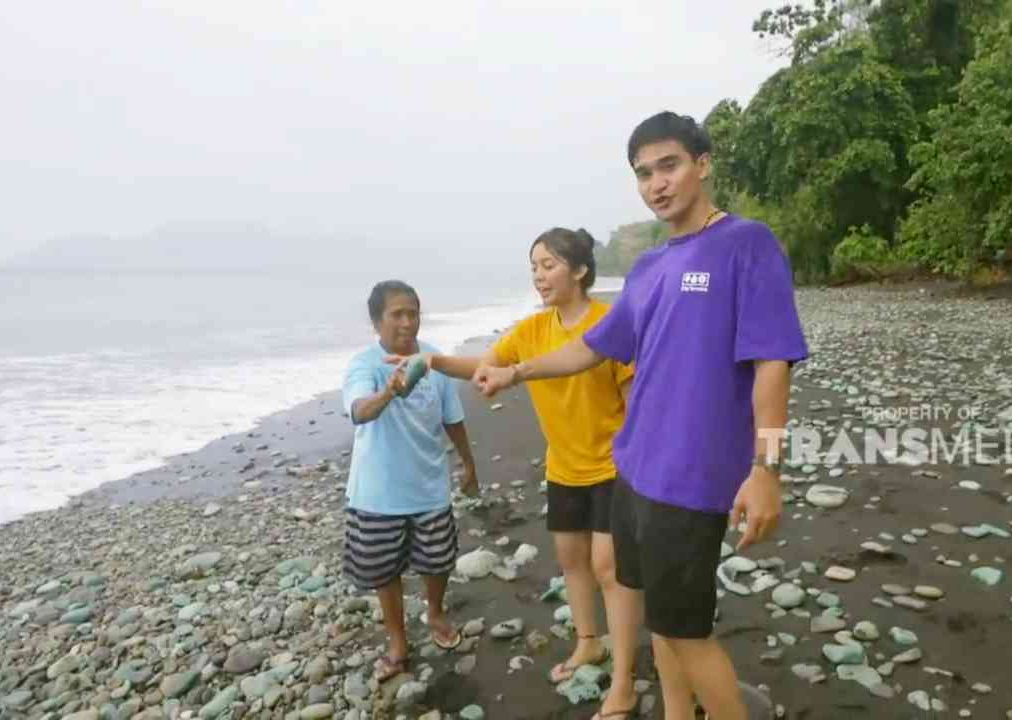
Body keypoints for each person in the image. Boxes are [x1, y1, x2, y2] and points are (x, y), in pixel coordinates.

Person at [476, 111, 809, 720]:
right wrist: (516, 371)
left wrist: (766, 467)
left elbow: (772, 363)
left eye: (669, 165)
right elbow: (593, 346)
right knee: (659, 614)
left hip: (695, 477)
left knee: (686, 630)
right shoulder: (651, 267)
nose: (657, 183)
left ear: (703, 164)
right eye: (643, 173)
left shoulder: (746, 243)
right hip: (632, 470)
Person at [386, 229, 643, 720]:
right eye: (534, 267)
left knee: (612, 570)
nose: (539, 276)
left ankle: (626, 682)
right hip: (565, 466)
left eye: (548, 265)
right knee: (572, 562)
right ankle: (589, 643)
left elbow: (635, 407)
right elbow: (486, 367)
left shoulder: (609, 325)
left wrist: (637, 471)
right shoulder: (531, 330)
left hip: (615, 467)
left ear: (580, 271)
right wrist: (432, 359)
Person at [342, 280, 480, 683]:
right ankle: (398, 639)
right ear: (376, 321)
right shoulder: (364, 365)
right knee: (385, 571)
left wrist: (469, 464)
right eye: (397, 314)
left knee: (438, 561)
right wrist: (388, 392)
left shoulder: (434, 361)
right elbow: (359, 411)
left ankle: (434, 613)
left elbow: (452, 417)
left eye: (413, 312)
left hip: (430, 486)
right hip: (378, 493)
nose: (407, 322)